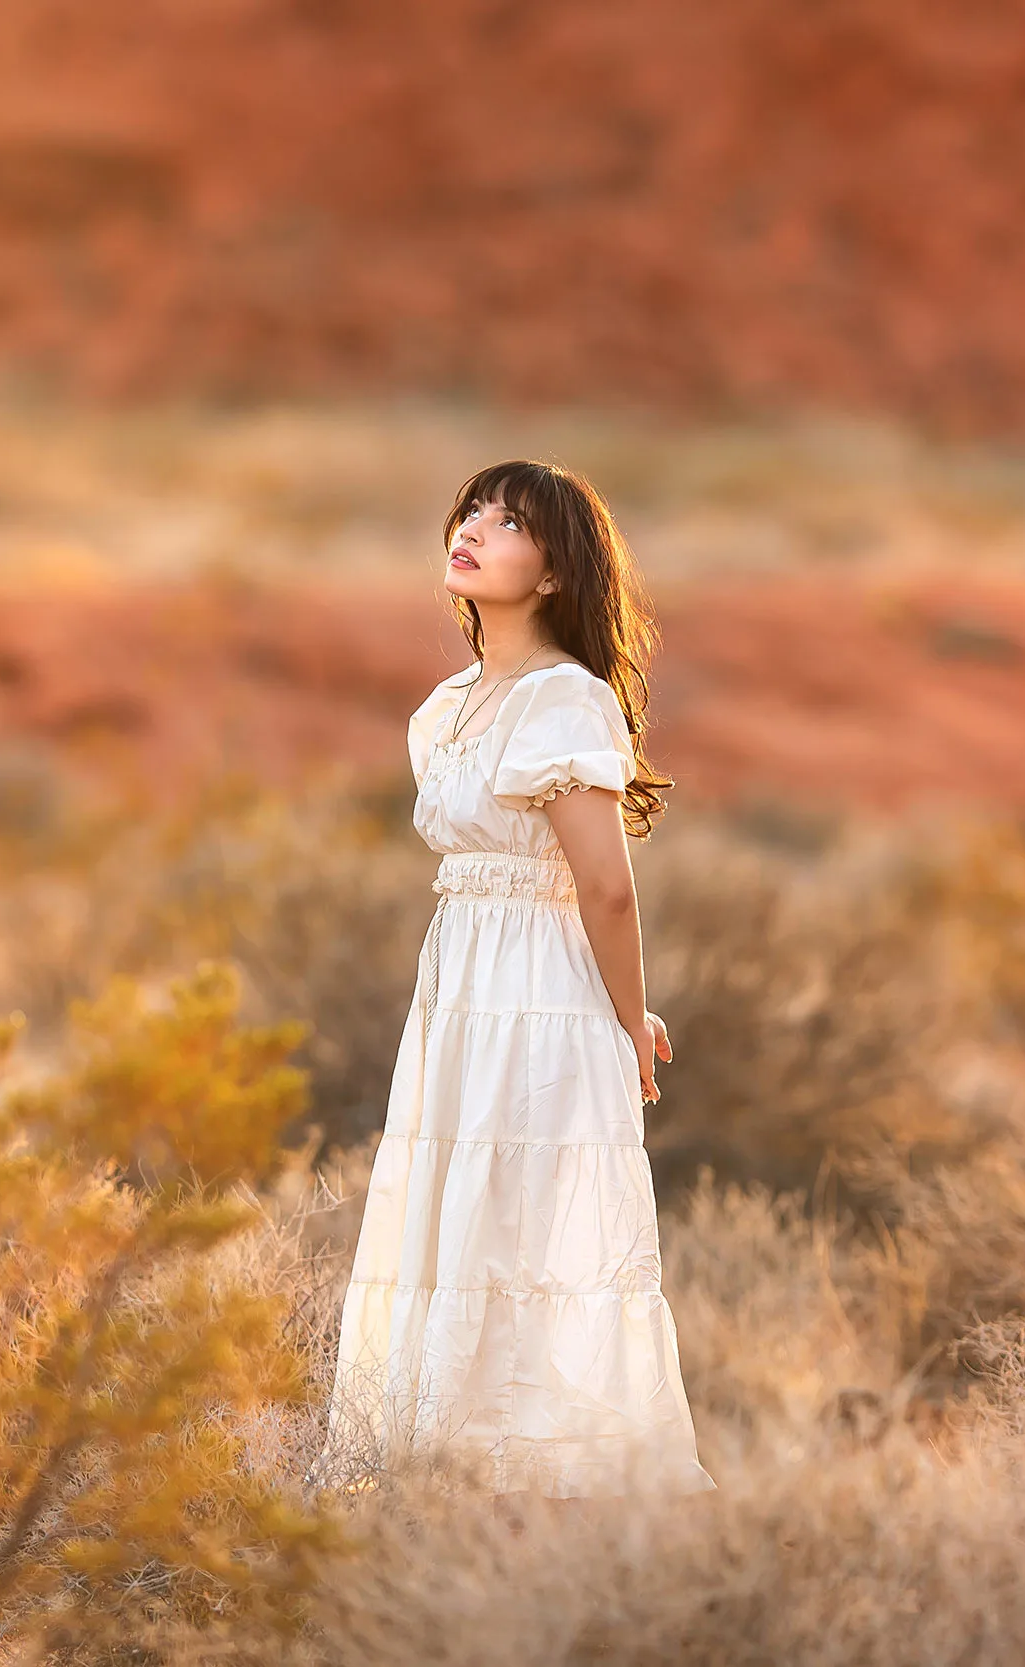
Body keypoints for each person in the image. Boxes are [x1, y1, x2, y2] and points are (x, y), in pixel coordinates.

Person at [322, 459, 715, 1510]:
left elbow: (604, 887)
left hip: (539, 1001)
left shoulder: (563, 698)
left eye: (509, 523)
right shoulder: (445, 704)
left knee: (528, 1234)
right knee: (455, 1222)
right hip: (459, 994)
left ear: (550, 574)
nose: (473, 529)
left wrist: (625, 1018)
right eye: (471, 512)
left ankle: (557, 1506)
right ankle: (437, 1484)